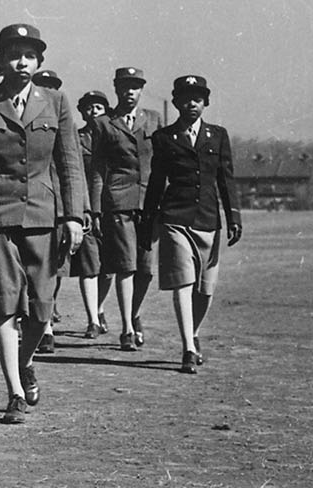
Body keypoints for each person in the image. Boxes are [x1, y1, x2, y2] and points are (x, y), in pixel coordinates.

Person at [0, 24, 87, 423]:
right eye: (14, 54)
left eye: (29, 55)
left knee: (42, 310)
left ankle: (24, 362)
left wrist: (75, 216)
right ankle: (13, 391)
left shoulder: (57, 101)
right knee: (5, 304)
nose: (22, 62)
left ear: (39, 61)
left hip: (44, 218)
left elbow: (70, 164)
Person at [144, 75, 241, 374]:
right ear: (175, 103)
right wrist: (149, 220)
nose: (192, 104)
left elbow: (226, 180)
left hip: (209, 220)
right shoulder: (163, 139)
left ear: (206, 102)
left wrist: (233, 216)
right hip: (175, 218)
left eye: (197, 99)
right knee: (183, 283)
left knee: (205, 290)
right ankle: (187, 347)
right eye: (185, 98)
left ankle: (194, 333)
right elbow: (156, 182)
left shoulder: (218, 136)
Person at [92, 66, 164, 351]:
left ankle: (134, 314)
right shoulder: (103, 123)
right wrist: (96, 208)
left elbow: (162, 161)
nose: (130, 91)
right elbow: (97, 168)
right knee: (126, 266)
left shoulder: (154, 120)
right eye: (125, 86)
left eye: (135, 86)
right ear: (116, 89)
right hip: (118, 201)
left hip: (150, 202)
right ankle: (127, 329)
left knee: (145, 269)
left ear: (142, 89)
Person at [71, 90, 111, 336]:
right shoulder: (76, 139)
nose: (94, 111)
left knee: (108, 268)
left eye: (98, 107)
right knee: (89, 265)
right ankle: (92, 320)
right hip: (86, 208)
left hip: (112, 207)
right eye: (89, 108)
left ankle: (99, 309)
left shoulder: (115, 136)